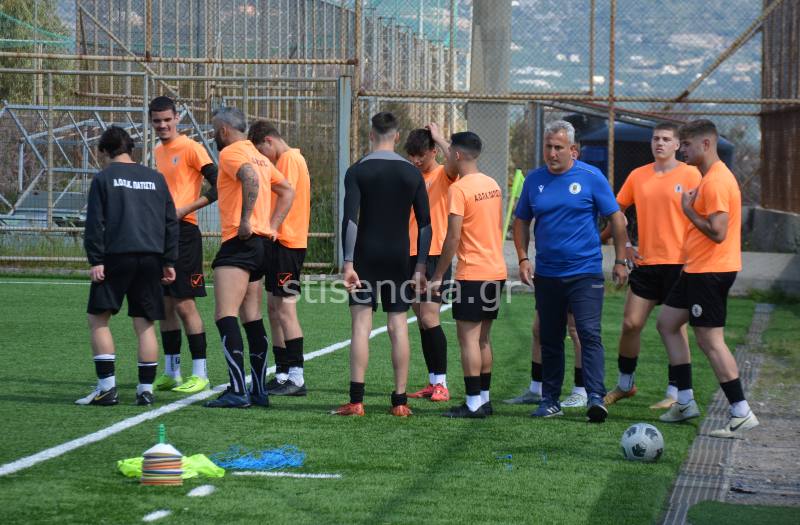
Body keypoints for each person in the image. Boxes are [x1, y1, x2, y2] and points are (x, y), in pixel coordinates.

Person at [513, 120, 628, 423]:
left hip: (585, 273)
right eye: (548, 147)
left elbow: (616, 219)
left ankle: (595, 397)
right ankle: (550, 400)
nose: (552, 153)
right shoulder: (534, 180)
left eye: (558, 147)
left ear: (573, 150)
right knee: (550, 337)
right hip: (547, 274)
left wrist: (620, 260)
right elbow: (521, 220)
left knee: (588, 334)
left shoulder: (591, 177)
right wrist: (523, 258)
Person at [656, 119, 758, 438]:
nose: (681, 150)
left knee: (710, 341)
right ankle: (685, 401)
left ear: (706, 144)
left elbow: (718, 232)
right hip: (696, 269)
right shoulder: (709, 177)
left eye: (686, 144)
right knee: (667, 323)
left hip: (711, 272)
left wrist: (688, 211)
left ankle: (741, 411)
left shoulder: (716, 181)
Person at [333, 111, 431, 417]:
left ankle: (356, 401)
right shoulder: (412, 173)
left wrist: (348, 262)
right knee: (398, 325)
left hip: (366, 255)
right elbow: (426, 226)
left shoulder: (357, 170)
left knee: (361, 326)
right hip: (399, 257)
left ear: (370, 134)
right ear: (397, 136)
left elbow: (351, 220)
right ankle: (400, 401)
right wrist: (420, 267)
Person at [601, 123, 702, 409]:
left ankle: (675, 391)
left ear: (677, 145)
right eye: (656, 138)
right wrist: (622, 246)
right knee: (631, 324)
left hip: (680, 265)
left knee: (675, 328)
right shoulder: (638, 175)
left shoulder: (691, 174)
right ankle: (625, 384)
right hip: (645, 263)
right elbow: (617, 212)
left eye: (666, 139)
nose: (660, 143)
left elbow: (703, 216)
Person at [77, 126, 178, 407]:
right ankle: (145, 390)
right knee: (145, 324)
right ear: (131, 149)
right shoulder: (156, 178)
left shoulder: (104, 178)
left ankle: (107, 389)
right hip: (151, 258)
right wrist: (169, 260)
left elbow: (95, 222)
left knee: (98, 319)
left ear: (104, 151)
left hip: (116, 256)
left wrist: (96, 259)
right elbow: (170, 221)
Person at [202, 107, 294, 409]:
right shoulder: (260, 156)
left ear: (224, 130)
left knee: (225, 314)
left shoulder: (232, 153)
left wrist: (245, 220)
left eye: (214, 130)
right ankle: (258, 390)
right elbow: (287, 190)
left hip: (240, 242)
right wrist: (271, 226)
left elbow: (250, 179)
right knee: (251, 317)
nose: (213, 136)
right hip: (261, 245)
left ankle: (238, 390)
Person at [430, 131, 507, 418]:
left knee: (468, 340)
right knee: (483, 339)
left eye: (450, 151)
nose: (448, 155)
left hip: (472, 273)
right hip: (496, 271)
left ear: (458, 155)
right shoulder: (492, 184)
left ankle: (473, 402)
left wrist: (438, 274)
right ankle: (484, 399)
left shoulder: (459, 189)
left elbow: (452, 238)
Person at [149, 96, 218, 395]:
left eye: (167, 119)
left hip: (185, 233)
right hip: (160, 233)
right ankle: (171, 372)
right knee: (164, 304)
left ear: (177, 118)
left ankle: (200, 373)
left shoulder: (191, 148)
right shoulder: (156, 151)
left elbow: (219, 185)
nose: (163, 125)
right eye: (157, 121)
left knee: (183, 303)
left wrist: (186, 209)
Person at [248, 120, 311, 397]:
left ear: (269, 141)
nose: (263, 158)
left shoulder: (289, 159)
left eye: (261, 151)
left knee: (285, 309)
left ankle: (296, 377)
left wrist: (272, 226)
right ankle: (283, 371)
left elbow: (287, 195)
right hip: (279, 243)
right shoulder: (288, 158)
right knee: (274, 308)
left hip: (288, 243)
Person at [403, 123, 458, 403]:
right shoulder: (409, 176)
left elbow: (457, 161)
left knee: (429, 317)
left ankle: (442, 384)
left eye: (421, 155)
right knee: (422, 322)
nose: (415, 160)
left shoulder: (444, 174)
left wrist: (439, 137)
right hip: (409, 254)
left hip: (434, 255)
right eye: (411, 155)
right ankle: (433, 381)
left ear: (433, 152)